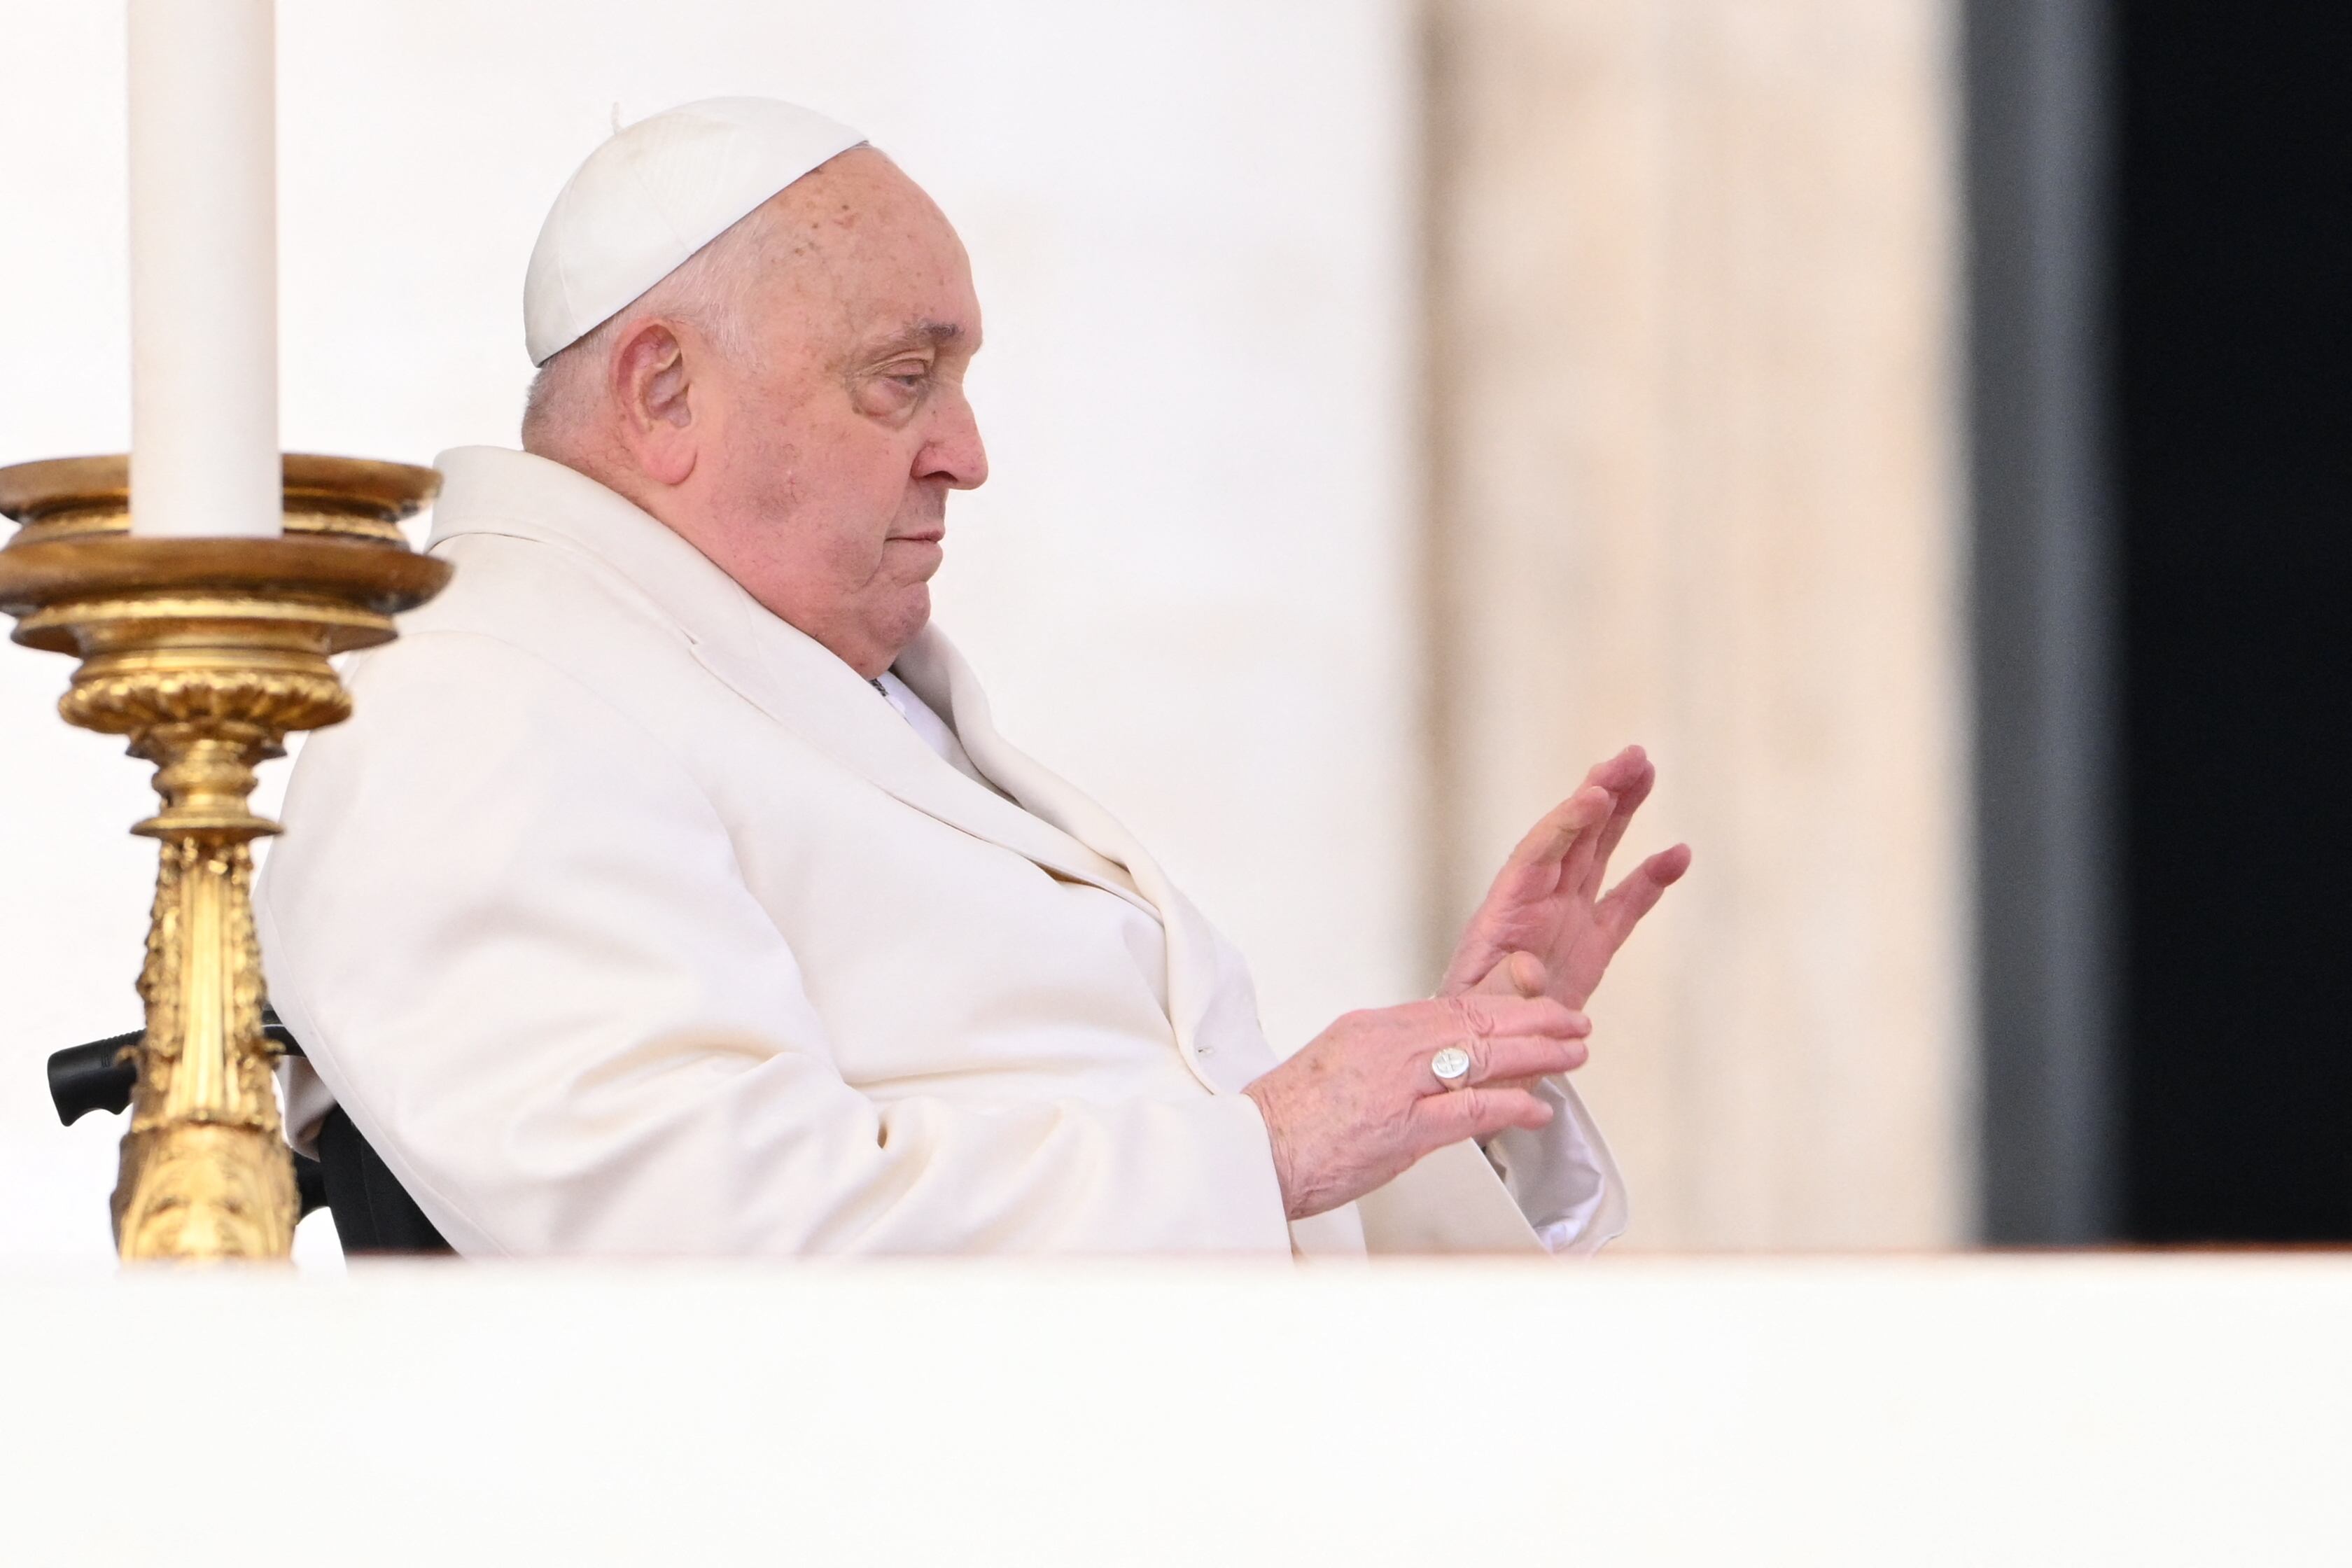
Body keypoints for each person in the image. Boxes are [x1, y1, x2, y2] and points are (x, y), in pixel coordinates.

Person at [256, 98, 1690, 1257]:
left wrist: (1462, 1081)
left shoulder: (803, 684)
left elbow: (1212, 1179)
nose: (967, 450)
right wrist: (1266, 1148)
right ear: (662, 393)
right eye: (902, 379)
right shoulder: (478, 704)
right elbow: (701, 1244)